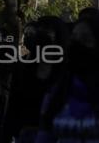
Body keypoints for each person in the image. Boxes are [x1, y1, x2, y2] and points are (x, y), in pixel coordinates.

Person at [36, 14, 99, 143]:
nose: (77, 44)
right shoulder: (61, 89)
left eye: (85, 39)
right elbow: (45, 133)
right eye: (74, 38)